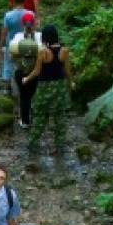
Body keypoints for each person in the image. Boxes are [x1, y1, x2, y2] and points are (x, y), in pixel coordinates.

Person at [23, 24, 76, 165]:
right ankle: (60, 147)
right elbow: (67, 70)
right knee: (60, 117)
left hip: (45, 88)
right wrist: (71, 83)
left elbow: (36, 71)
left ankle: (33, 144)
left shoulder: (43, 52)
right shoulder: (64, 51)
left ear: (45, 37)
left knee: (40, 115)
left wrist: (26, 79)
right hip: (59, 87)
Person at [10, 11, 41, 127]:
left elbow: (12, 56)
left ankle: (25, 121)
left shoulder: (17, 37)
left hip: (20, 71)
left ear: (22, 25)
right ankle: (35, 115)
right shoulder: (39, 37)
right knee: (32, 93)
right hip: (35, 72)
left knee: (23, 95)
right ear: (34, 24)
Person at [0, 0, 29, 85]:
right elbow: (33, 30)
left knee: (8, 63)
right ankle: (24, 83)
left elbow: (4, 32)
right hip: (25, 43)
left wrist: (0, 45)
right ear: (24, 1)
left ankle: (8, 86)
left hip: (11, 43)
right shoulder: (30, 14)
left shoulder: (8, 15)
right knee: (25, 63)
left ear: (14, 1)